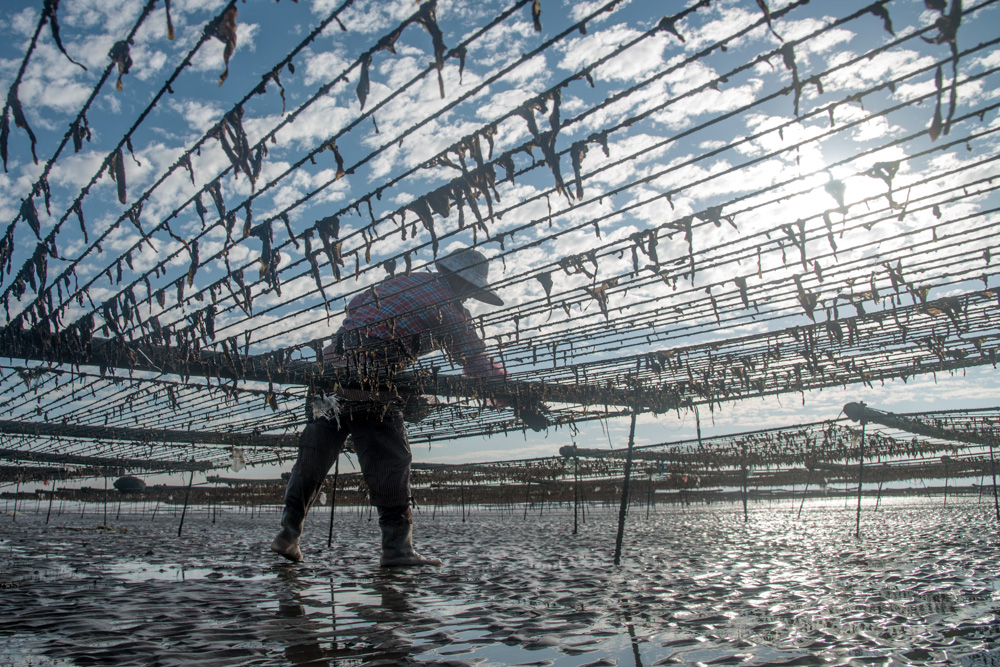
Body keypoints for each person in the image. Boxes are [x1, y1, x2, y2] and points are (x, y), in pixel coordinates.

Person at [271, 247, 513, 566]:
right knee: (391, 457)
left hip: (327, 375)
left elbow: (356, 305)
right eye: (470, 291)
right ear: (463, 284)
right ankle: (397, 549)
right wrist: (512, 394)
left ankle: (288, 535)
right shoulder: (449, 308)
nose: (469, 298)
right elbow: (475, 361)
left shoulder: (403, 282)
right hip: (372, 378)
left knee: (314, 456)